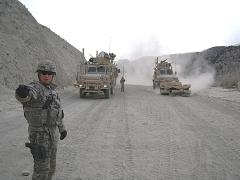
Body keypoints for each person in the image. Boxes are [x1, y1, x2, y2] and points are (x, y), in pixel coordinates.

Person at [15, 60, 67, 180]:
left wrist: (62, 129)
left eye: (49, 73)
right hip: (39, 136)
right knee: (41, 171)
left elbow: (58, 113)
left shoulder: (52, 91)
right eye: (43, 73)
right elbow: (27, 95)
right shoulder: (36, 88)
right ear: (39, 74)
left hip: (52, 135)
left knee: (51, 167)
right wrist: (22, 94)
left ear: (53, 75)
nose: (46, 75)